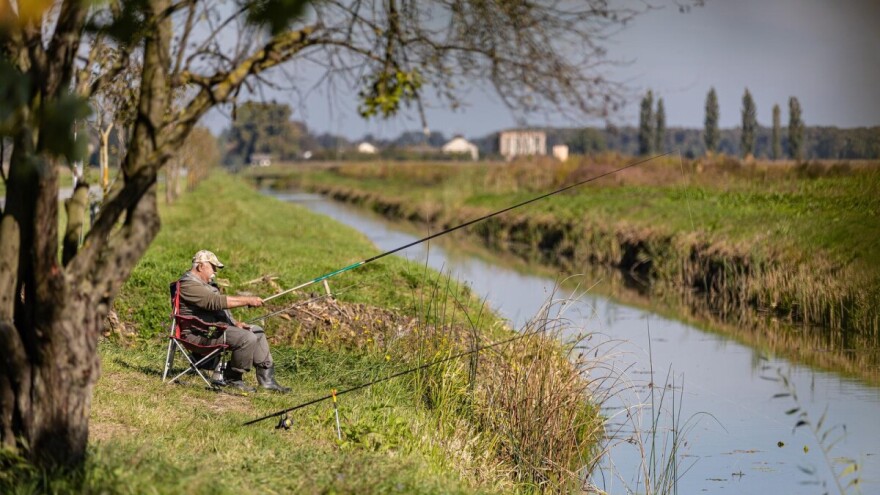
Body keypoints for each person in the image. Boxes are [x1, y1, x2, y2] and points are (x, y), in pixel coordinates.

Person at [177, 250, 290, 393]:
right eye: (213, 267)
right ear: (200, 267)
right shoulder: (188, 285)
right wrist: (248, 300)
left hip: (212, 332)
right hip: (198, 337)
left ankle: (267, 381)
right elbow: (214, 302)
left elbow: (219, 310)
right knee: (247, 338)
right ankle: (233, 378)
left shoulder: (206, 285)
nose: (215, 272)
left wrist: (234, 323)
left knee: (256, 331)